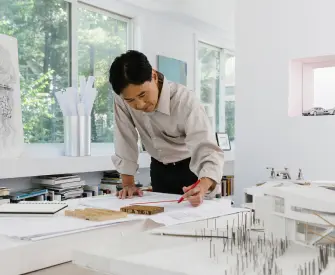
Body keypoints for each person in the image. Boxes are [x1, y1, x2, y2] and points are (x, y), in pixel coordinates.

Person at [109, 50, 224, 207]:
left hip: (191, 170)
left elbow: (206, 148)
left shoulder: (185, 101)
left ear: (154, 76)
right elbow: (124, 138)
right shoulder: (122, 100)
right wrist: (128, 184)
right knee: (160, 224)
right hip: (159, 169)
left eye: (143, 95)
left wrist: (203, 186)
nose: (139, 105)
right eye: (131, 100)